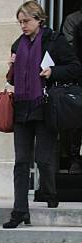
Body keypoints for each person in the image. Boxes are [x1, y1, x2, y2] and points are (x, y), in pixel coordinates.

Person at [3, 1, 82, 229]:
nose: (23, 26)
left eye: (26, 21)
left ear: (39, 19)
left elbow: (75, 67)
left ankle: (50, 192)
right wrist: (10, 68)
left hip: (44, 106)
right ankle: (19, 211)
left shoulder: (54, 41)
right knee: (20, 161)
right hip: (22, 107)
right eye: (20, 22)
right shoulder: (17, 44)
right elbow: (13, 80)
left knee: (44, 159)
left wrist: (52, 71)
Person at [62, 3, 82, 174]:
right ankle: (74, 159)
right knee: (76, 119)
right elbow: (69, 51)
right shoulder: (74, 19)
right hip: (78, 76)